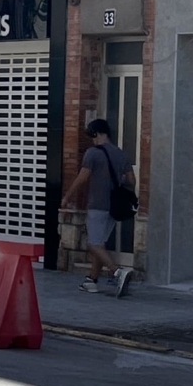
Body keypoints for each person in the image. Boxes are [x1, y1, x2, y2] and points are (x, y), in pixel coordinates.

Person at [69, 117, 136, 297]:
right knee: (100, 243)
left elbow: (82, 178)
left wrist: (67, 197)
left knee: (93, 245)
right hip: (114, 208)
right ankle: (91, 280)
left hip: (97, 205)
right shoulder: (121, 154)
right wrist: (118, 181)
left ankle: (117, 272)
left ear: (96, 133)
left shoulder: (92, 153)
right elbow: (132, 181)